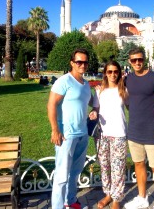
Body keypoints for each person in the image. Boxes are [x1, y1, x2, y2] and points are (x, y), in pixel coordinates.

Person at [124, 48, 154, 209]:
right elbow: (125, 97)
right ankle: (142, 198)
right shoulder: (128, 79)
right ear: (129, 61)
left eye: (140, 59)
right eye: (134, 60)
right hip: (134, 131)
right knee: (138, 164)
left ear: (145, 59)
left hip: (152, 131)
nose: (137, 63)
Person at [47, 48, 92, 209]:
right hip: (66, 134)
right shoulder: (64, 81)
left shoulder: (86, 84)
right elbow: (52, 104)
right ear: (72, 63)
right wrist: (55, 130)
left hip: (82, 133)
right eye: (79, 62)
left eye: (85, 62)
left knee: (75, 172)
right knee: (61, 175)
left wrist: (96, 109)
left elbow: (91, 102)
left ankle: (70, 201)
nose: (83, 65)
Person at [89, 60, 128, 209]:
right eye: (109, 71)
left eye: (115, 72)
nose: (113, 74)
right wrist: (93, 112)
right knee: (104, 166)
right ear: (105, 73)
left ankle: (117, 199)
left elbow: (134, 107)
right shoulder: (99, 91)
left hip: (119, 133)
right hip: (101, 135)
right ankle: (108, 195)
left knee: (117, 167)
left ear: (119, 73)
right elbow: (95, 109)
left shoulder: (123, 90)